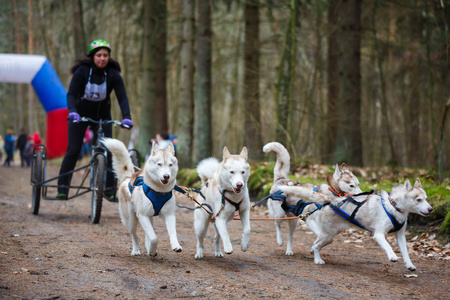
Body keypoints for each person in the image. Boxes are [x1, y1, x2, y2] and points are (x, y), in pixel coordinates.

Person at [57, 39, 133, 201]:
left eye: (105, 55)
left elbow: (122, 98)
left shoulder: (113, 74)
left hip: (103, 117)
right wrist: (72, 111)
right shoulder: (82, 71)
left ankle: (110, 190)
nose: (102, 58)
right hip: (79, 116)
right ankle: (62, 189)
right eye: (99, 55)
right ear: (92, 56)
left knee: (109, 150)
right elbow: (71, 94)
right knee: (73, 150)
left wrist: (126, 117)